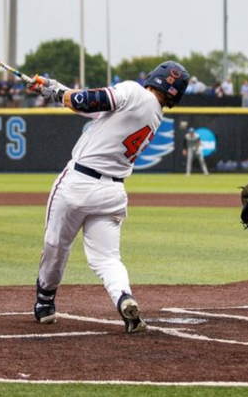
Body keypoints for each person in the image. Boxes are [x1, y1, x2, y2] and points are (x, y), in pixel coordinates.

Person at [30, 61, 191, 334]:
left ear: (155, 77)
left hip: (78, 184)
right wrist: (54, 89)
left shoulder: (132, 91)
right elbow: (95, 110)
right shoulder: (154, 115)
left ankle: (45, 304)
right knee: (107, 259)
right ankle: (123, 298)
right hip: (112, 193)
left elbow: (87, 101)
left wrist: (57, 94)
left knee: (56, 244)